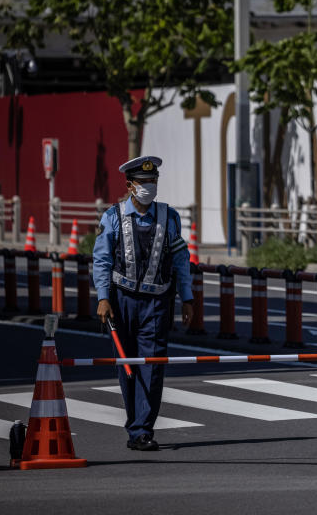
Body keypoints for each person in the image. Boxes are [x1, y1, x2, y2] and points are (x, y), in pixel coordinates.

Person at [93, 155, 194, 451]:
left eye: (153, 181)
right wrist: (102, 298)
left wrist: (186, 297)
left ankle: (141, 431)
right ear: (130, 185)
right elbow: (101, 260)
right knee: (128, 367)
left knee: (152, 366)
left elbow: (180, 260)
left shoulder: (169, 217)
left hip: (157, 303)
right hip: (121, 300)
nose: (149, 187)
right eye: (144, 182)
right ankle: (135, 422)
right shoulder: (112, 216)